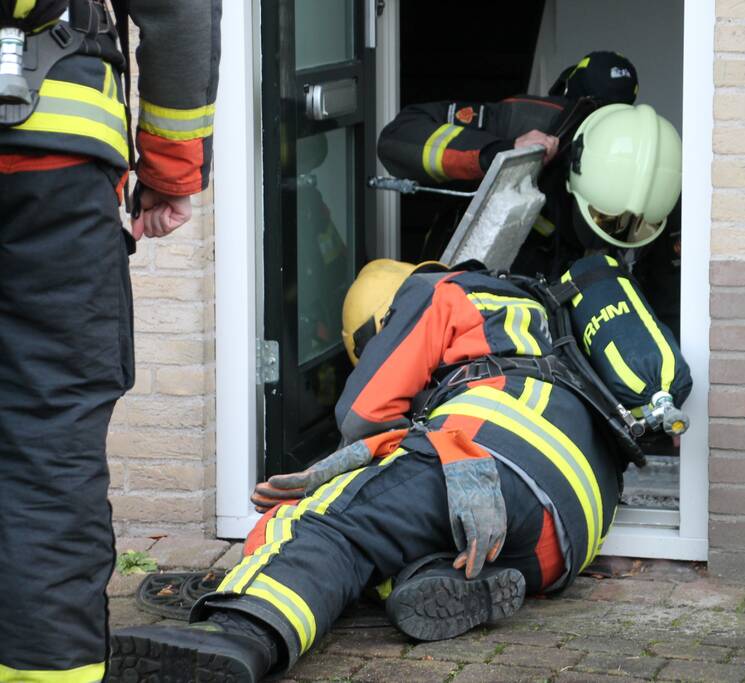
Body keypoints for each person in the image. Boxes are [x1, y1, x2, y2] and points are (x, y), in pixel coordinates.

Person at [109, 255, 691, 680]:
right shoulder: (544, 321)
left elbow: (362, 413)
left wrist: (357, 466)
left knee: (325, 524)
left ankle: (240, 632)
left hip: (490, 453)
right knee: (399, 532)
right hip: (563, 540)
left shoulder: (438, 291)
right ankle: (434, 579)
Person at [0, 0, 220, 679]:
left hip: (52, 165)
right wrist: (171, 174)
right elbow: (180, 12)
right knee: (50, 437)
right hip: (52, 159)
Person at [377, 51, 649, 274]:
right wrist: (501, 153)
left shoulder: (641, 158)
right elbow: (399, 136)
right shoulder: (526, 118)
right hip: (468, 282)